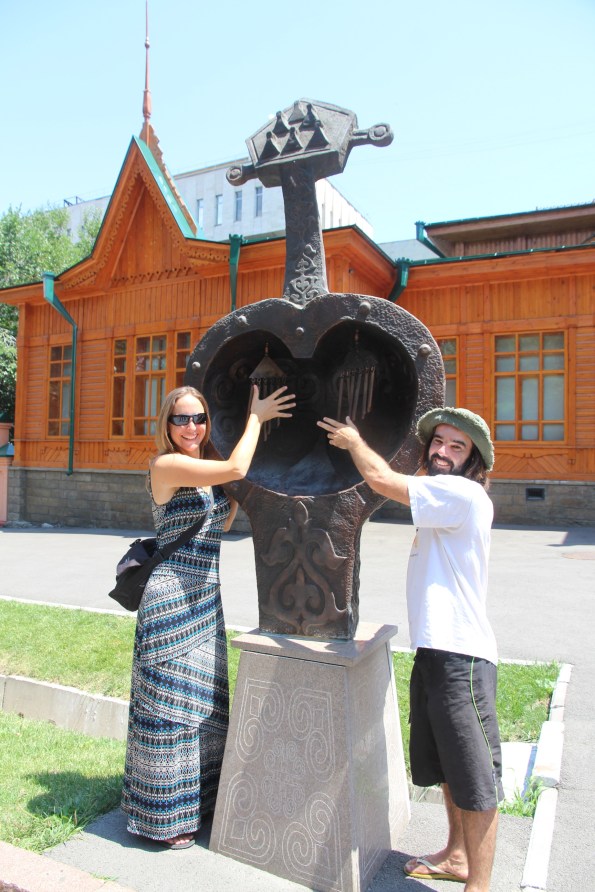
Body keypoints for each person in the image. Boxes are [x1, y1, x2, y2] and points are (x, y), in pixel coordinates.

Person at [317, 407, 502, 892]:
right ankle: (457, 855)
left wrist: (354, 440)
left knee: (475, 776)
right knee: (447, 765)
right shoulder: (445, 497)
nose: (441, 451)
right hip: (436, 651)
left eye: (456, 446)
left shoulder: (460, 493)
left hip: (462, 657)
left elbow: (381, 479)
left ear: (473, 459)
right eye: (438, 442)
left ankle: (478, 886)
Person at [122, 382, 295, 849]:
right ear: (167, 423)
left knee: (204, 709)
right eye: (181, 418)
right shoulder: (167, 464)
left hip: (204, 598)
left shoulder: (203, 472)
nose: (192, 427)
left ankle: (199, 806)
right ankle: (164, 817)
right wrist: (257, 416)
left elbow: (222, 517)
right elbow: (237, 467)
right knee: (168, 709)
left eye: (198, 417)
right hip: (169, 600)